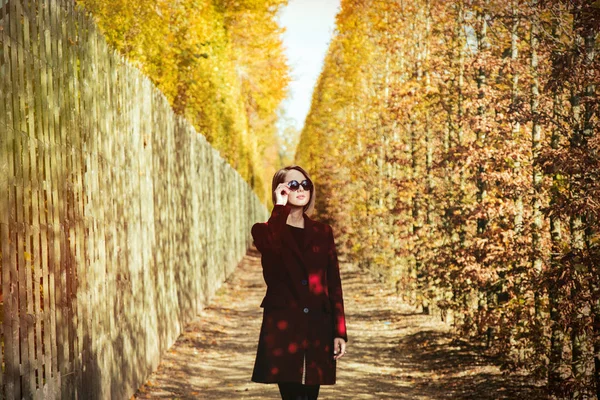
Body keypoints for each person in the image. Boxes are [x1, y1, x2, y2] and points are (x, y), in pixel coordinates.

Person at [250, 165, 348, 400]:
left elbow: (333, 283)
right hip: (284, 328)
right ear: (280, 190)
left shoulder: (323, 232)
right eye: (293, 185)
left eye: (305, 184)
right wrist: (279, 208)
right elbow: (271, 248)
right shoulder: (264, 230)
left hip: (318, 326)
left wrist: (339, 332)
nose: (301, 189)